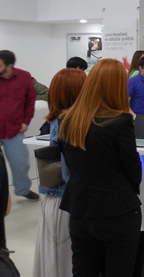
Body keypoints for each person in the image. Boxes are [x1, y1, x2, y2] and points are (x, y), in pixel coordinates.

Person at [59, 59, 141, 276]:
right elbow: (132, 169)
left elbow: (70, 163)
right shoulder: (121, 122)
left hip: (80, 208)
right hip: (117, 210)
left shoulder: (68, 120)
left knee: (83, 269)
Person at [33, 68, 86, 277]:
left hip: (57, 197)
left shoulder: (59, 118)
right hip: (66, 198)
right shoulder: (69, 121)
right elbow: (67, 170)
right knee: (68, 256)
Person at [0, 50, 39, 200]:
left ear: (9, 65)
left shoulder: (24, 77)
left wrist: (26, 121)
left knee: (20, 163)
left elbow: (30, 101)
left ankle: (23, 190)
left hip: (14, 129)